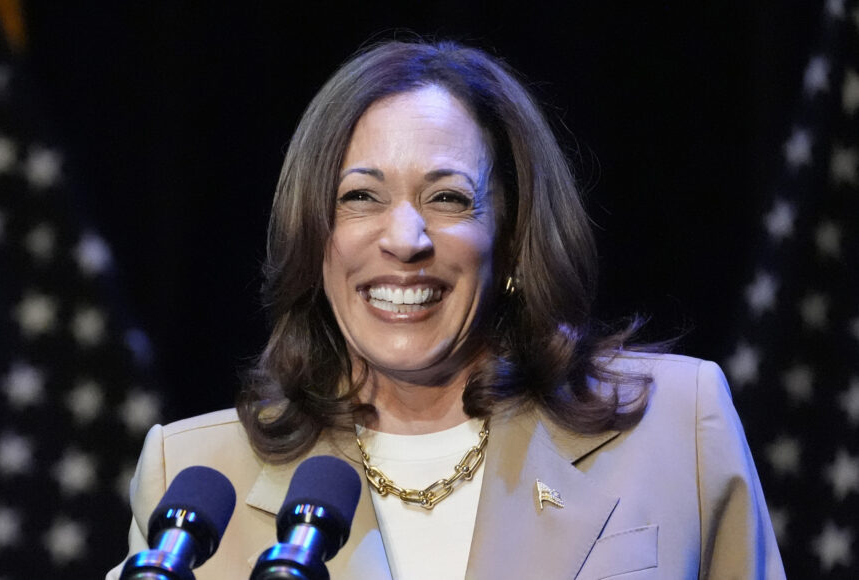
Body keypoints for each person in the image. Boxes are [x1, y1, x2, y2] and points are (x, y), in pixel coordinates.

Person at [108, 40, 784, 579]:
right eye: (360, 198)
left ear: (512, 239)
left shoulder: (674, 427)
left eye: (449, 198)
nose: (405, 240)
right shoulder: (195, 477)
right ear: (315, 241)